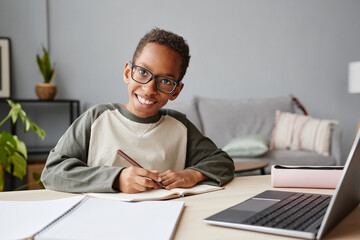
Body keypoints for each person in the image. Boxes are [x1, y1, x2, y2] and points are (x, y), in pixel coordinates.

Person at [41, 28, 234, 193]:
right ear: (128, 73)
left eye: (165, 81)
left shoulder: (180, 127)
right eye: (143, 72)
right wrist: (117, 179)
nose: (149, 89)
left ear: (176, 91)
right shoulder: (97, 118)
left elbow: (223, 162)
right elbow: (52, 172)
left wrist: (192, 175)